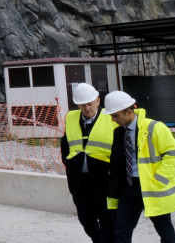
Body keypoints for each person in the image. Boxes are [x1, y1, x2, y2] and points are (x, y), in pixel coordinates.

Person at [103, 90, 175, 243]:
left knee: (165, 230)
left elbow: (174, 154)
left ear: (128, 111)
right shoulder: (118, 132)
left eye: (115, 116)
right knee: (121, 229)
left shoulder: (154, 127)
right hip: (129, 188)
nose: (113, 120)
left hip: (152, 187)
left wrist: (159, 179)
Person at [60, 82, 117, 243]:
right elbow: (65, 143)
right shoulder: (71, 118)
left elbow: (118, 148)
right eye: (82, 104)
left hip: (104, 179)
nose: (86, 108)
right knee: (86, 219)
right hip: (79, 180)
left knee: (107, 221)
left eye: (89, 103)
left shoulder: (110, 118)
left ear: (98, 101)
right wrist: (68, 162)